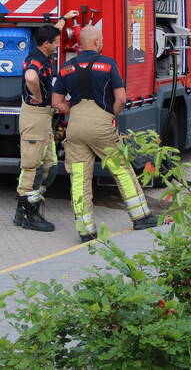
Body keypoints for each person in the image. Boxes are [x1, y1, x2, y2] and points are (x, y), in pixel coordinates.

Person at [52, 25, 158, 242]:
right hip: (101, 124)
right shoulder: (108, 64)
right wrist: (110, 113)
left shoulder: (66, 67)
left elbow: (56, 103)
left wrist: (75, 109)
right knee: (122, 171)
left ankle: (85, 230)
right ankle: (141, 217)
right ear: (97, 42)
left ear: (80, 44)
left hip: (76, 126)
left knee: (80, 177)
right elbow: (121, 98)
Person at [13, 10, 79, 232]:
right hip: (35, 116)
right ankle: (27, 215)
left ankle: (28, 209)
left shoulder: (41, 50)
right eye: (56, 42)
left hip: (43, 118)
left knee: (48, 164)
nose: (59, 45)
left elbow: (54, 32)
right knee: (32, 166)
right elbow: (31, 77)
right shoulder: (37, 60)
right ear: (46, 44)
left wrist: (65, 19)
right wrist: (40, 96)